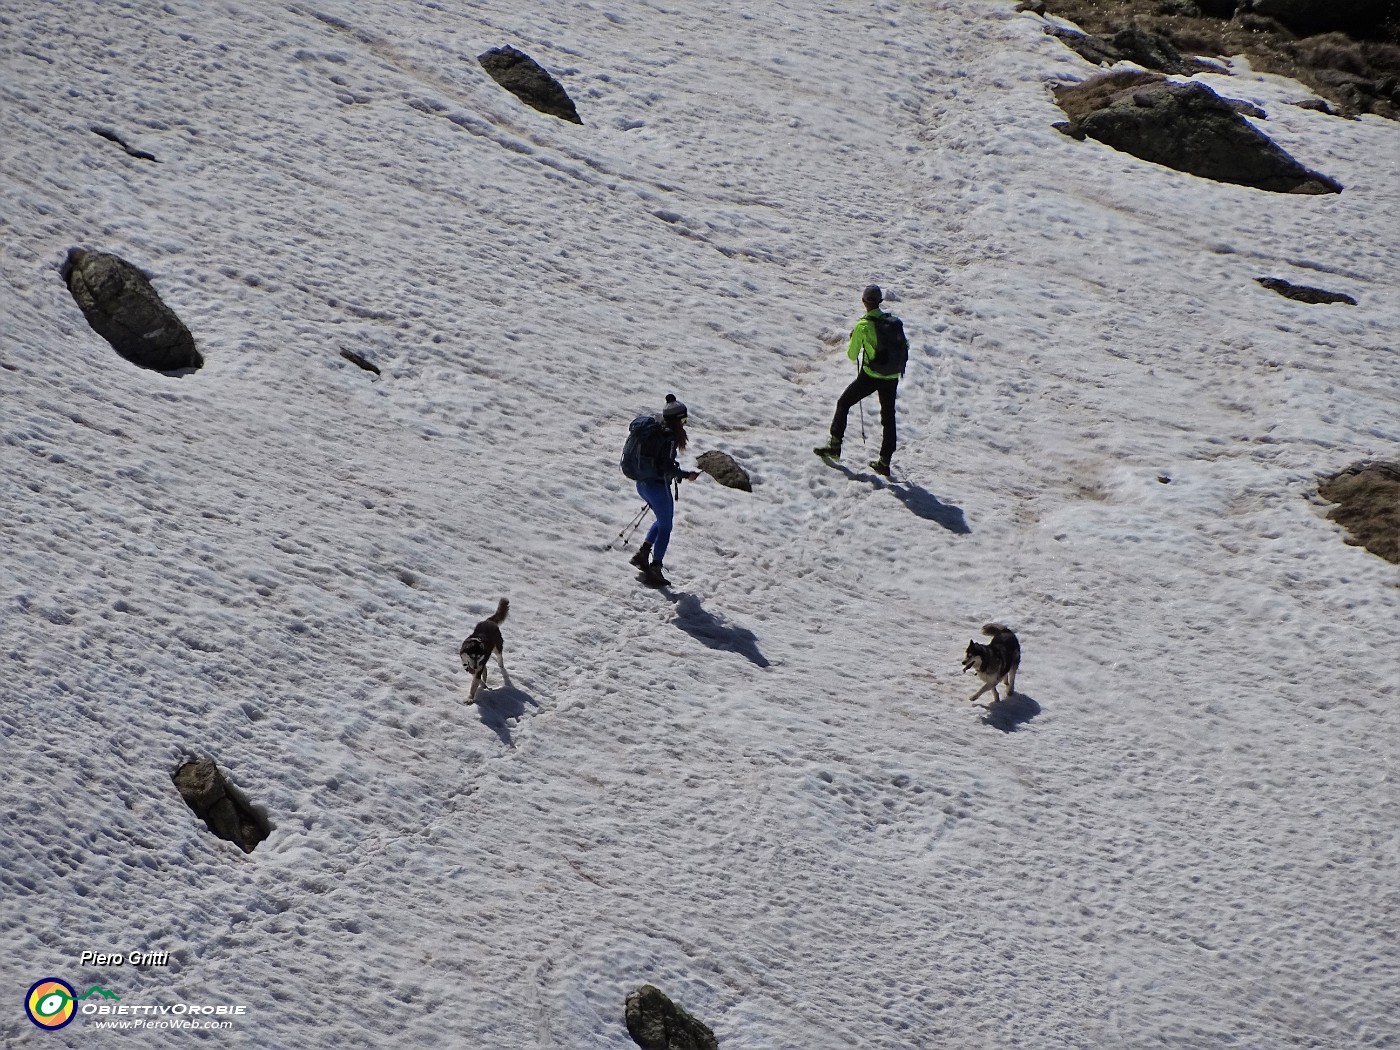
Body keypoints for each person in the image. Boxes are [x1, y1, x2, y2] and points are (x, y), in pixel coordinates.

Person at [813, 284, 907, 477]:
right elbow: (905, 345)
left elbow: (851, 354)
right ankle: (884, 462)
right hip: (891, 377)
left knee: (844, 403)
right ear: (880, 302)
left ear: (864, 301)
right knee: (888, 417)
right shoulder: (894, 323)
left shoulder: (863, 326)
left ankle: (835, 446)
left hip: (871, 376)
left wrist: (855, 338)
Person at [626, 394, 700, 587]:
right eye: (683, 419)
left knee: (662, 520)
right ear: (676, 420)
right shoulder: (668, 437)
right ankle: (655, 568)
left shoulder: (657, 429)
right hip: (657, 486)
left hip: (642, 483)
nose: (684, 423)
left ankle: (643, 554)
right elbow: (666, 465)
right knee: (666, 527)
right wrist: (685, 475)